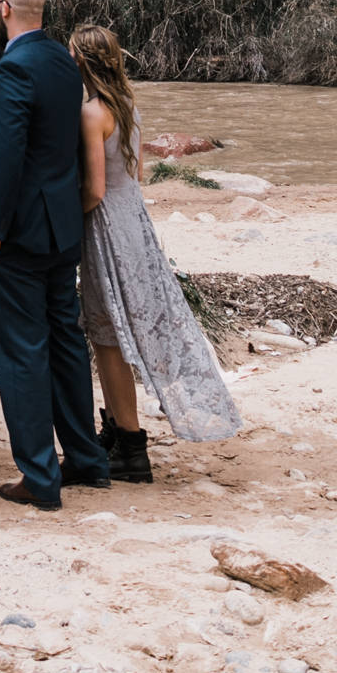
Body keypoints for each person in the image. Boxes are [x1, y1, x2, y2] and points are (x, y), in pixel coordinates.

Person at [0, 0, 111, 510]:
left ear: (3, 10)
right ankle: (87, 460)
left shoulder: (17, 68)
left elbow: (7, 156)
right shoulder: (63, 63)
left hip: (18, 232)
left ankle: (39, 477)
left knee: (21, 350)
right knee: (65, 343)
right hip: (62, 226)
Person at [72, 24, 240, 476]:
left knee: (106, 333)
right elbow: (137, 171)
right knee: (122, 326)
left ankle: (128, 442)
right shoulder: (127, 105)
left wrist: (67, 220)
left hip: (106, 223)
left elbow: (94, 188)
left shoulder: (91, 112)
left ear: (83, 62)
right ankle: (117, 429)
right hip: (134, 218)